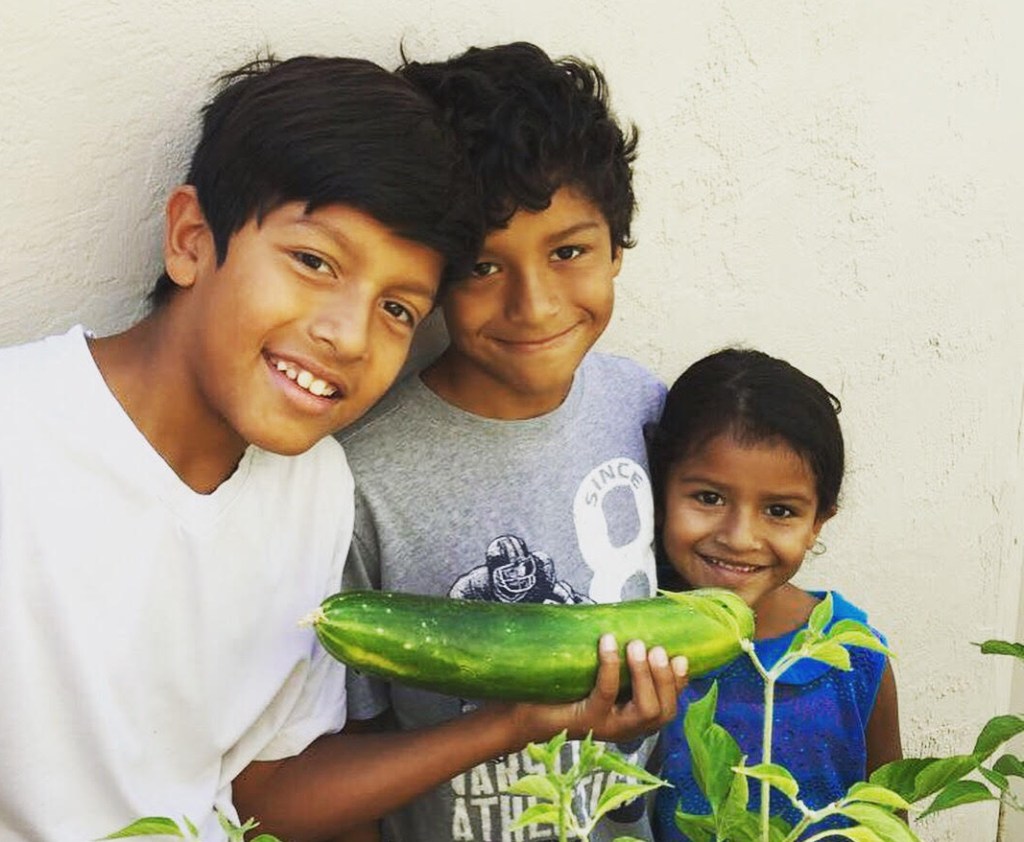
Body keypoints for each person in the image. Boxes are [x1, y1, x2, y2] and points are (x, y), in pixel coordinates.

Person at [0, 55, 686, 842]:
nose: (348, 336)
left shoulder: (315, 486)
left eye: (397, 308)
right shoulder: (17, 436)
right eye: (314, 262)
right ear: (191, 239)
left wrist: (510, 724)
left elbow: (268, 784)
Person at [338, 42, 677, 842]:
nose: (534, 305)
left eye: (568, 251)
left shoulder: (647, 408)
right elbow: (342, 748)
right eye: (483, 266)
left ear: (617, 247)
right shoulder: (360, 477)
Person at [646, 348, 903, 839]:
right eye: (709, 498)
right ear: (660, 492)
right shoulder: (641, 649)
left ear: (818, 522)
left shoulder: (852, 656)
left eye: (780, 511)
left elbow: (888, 821)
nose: (740, 536)